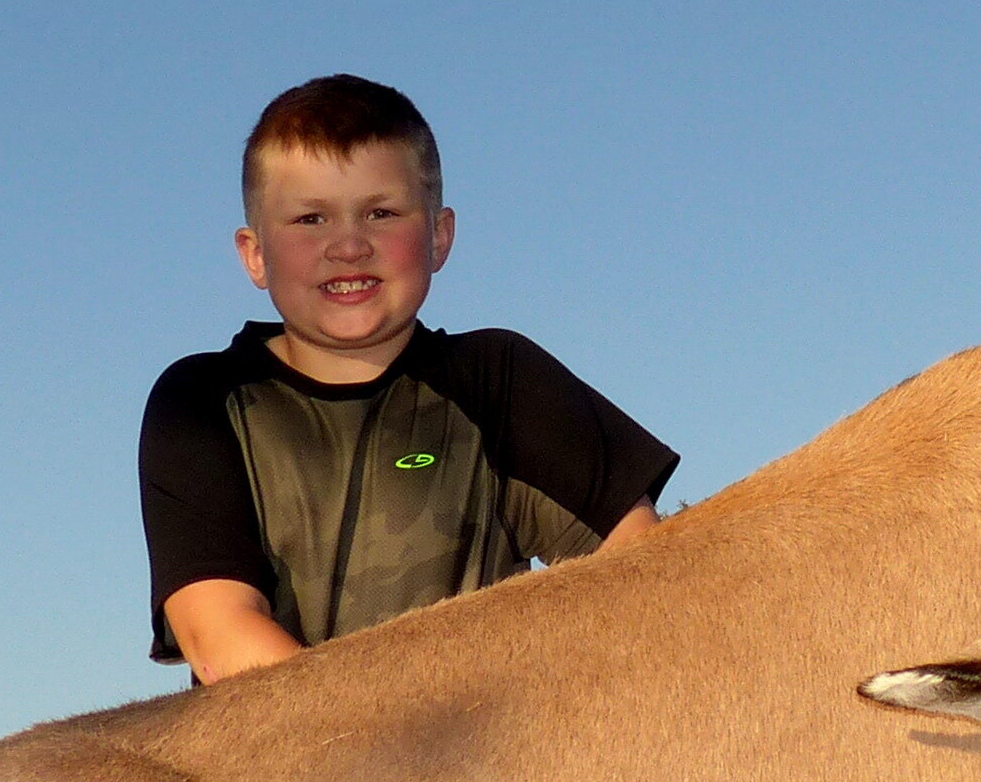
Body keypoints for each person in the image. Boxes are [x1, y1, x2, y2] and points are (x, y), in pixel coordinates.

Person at [140, 75, 676, 683]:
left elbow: (641, 572)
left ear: (440, 235)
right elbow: (216, 635)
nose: (348, 245)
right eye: (310, 218)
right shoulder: (201, 401)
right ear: (254, 254)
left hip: (493, 759)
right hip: (283, 767)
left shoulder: (500, 378)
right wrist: (382, 751)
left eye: (381, 213)